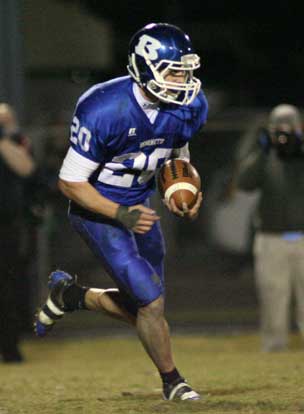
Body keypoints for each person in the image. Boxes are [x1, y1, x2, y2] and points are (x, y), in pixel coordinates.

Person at [35, 23, 208, 400]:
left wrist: (183, 188)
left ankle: (73, 296)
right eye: (174, 70)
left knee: (147, 303)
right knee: (151, 302)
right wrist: (120, 213)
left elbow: (177, 152)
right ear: (144, 68)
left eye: (186, 70)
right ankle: (173, 381)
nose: (184, 79)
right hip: (97, 210)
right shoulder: (104, 107)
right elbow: (70, 183)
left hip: (140, 205)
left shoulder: (190, 105)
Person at [235, 104, 304, 352]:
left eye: (290, 127)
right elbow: (244, 183)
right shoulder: (266, 157)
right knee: (273, 296)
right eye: (279, 128)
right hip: (271, 238)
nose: (285, 133)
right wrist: (263, 152)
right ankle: (275, 346)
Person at [0, 103, 36, 362]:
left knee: (7, 287)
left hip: (6, 224)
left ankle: (9, 345)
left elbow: (26, 168)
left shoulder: (15, 141)